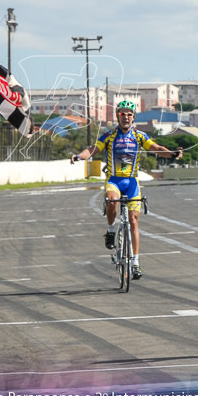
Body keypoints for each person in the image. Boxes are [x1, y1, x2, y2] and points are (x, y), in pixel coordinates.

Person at [72, 100, 182, 280]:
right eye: (122, 114)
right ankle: (110, 230)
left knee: (133, 221)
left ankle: (136, 263)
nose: (126, 117)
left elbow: (156, 148)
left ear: (134, 117)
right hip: (114, 180)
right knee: (113, 202)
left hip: (132, 182)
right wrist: (79, 156)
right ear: (117, 116)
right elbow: (93, 150)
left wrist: (172, 154)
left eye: (129, 114)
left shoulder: (139, 136)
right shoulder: (109, 136)